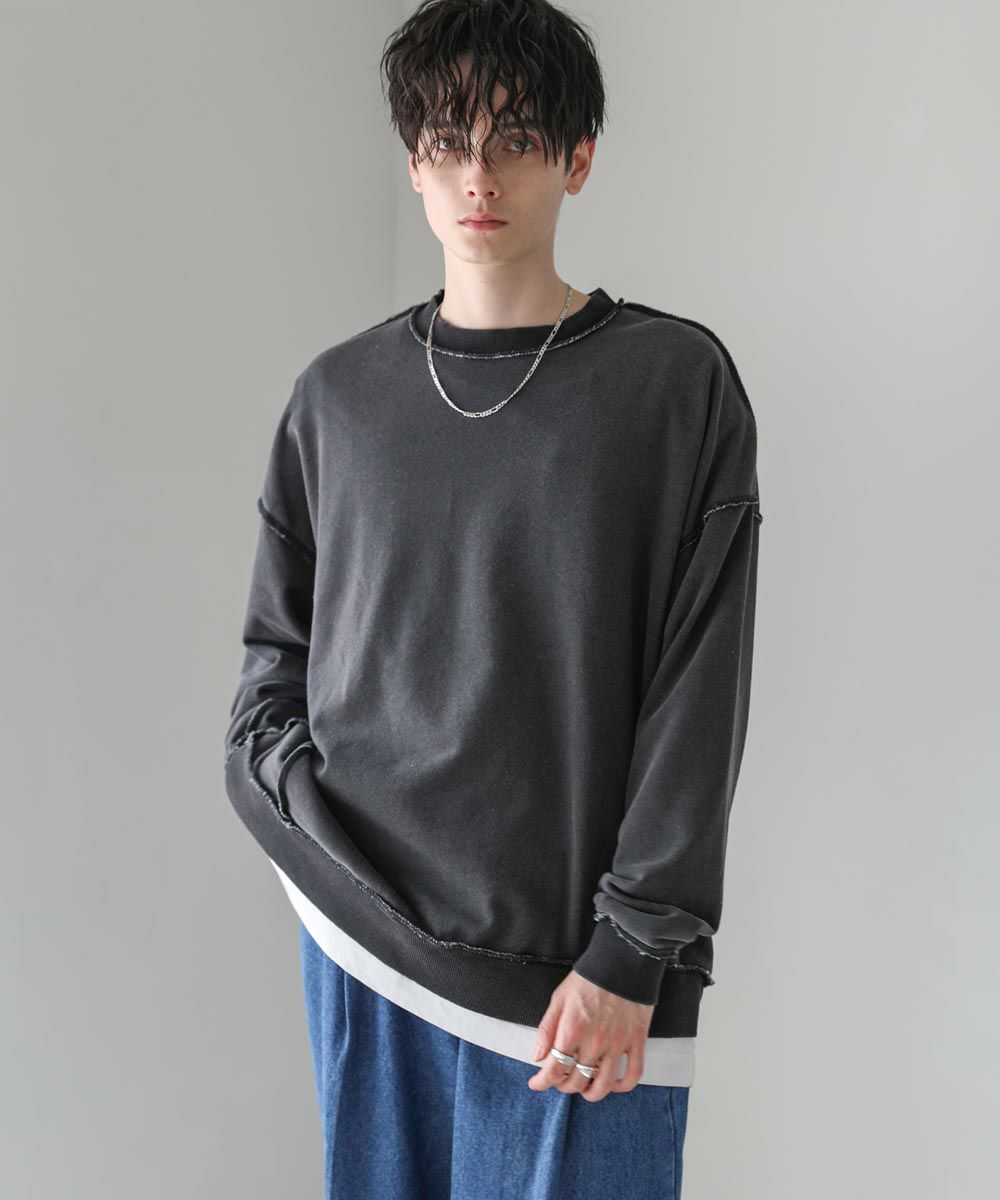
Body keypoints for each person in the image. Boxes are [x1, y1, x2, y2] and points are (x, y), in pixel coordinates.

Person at [223, 1, 762, 1196]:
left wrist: (635, 944)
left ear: (578, 158)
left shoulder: (670, 386)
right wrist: (318, 866)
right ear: (412, 161)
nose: (479, 175)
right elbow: (271, 670)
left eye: (516, 140)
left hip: (578, 980)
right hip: (363, 951)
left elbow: (700, 681)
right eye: (447, 141)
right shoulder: (336, 400)